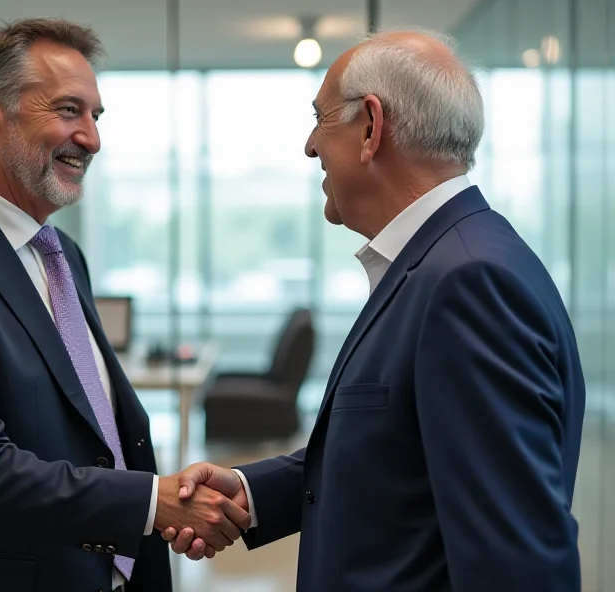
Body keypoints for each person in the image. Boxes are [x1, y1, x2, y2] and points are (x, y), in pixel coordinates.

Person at [162, 29, 585, 591]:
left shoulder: (468, 283)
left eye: (320, 118)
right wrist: (250, 489)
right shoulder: (442, 261)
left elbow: (517, 565)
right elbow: (397, 454)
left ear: (370, 128)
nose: (310, 146)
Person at [0, 18, 249, 592]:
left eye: (96, 117)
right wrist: (153, 502)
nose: (92, 138)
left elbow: (93, 429)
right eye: (69, 110)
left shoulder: (61, 253)